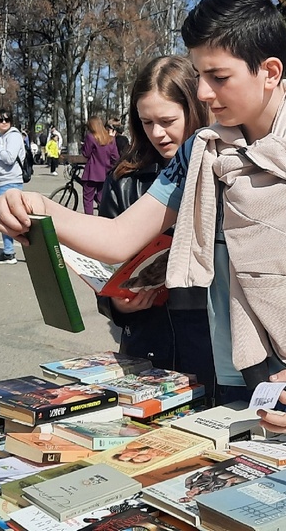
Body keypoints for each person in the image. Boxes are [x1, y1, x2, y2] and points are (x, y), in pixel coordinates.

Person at [0, 0, 286, 443]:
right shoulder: (202, 152)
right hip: (236, 380)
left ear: (269, 71)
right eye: (199, 74)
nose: (202, 92)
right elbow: (120, 238)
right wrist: (38, 207)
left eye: (218, 77)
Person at [97, 55, 216, 395]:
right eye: (146, 123)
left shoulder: (227, 170)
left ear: (195, 109)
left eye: (167, 120)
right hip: (146, 346)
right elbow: (104, 270)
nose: (158, 134)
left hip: (213, 347)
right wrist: (117, 304)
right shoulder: (125, 180)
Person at [0, 110, 26, 264]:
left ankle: (35, 250)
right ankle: (8, 252)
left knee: (15, 220)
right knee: (2, 220)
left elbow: (9, 158)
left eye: (7, 119)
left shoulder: (14, 136)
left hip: (10, 182)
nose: (3, 122)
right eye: (0, 120)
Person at [81, 115, 119, 214]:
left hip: (91, 173)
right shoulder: (110, 139)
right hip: (105, 174)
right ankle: (103, 218)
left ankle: (89, 220)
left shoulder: (91, 137)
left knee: (88, 199)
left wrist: (83, 147)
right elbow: (115, 157)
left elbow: (86, 153)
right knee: (101, 198)